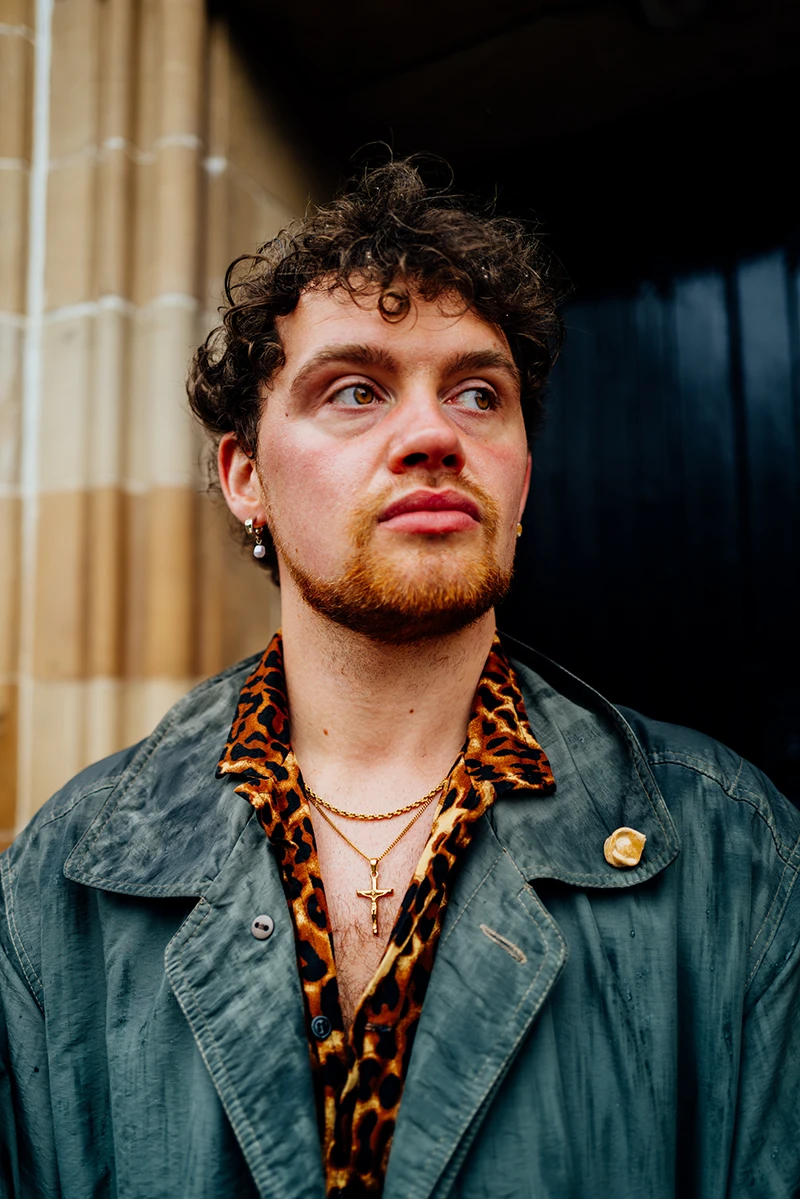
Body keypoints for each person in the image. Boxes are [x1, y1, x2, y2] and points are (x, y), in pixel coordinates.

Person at [1, 159, 798, 1199]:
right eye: (354, 389)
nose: (433, 435)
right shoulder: (58, 885)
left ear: (520, 474)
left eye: (478, 393)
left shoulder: (737, 855)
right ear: (244, 476)